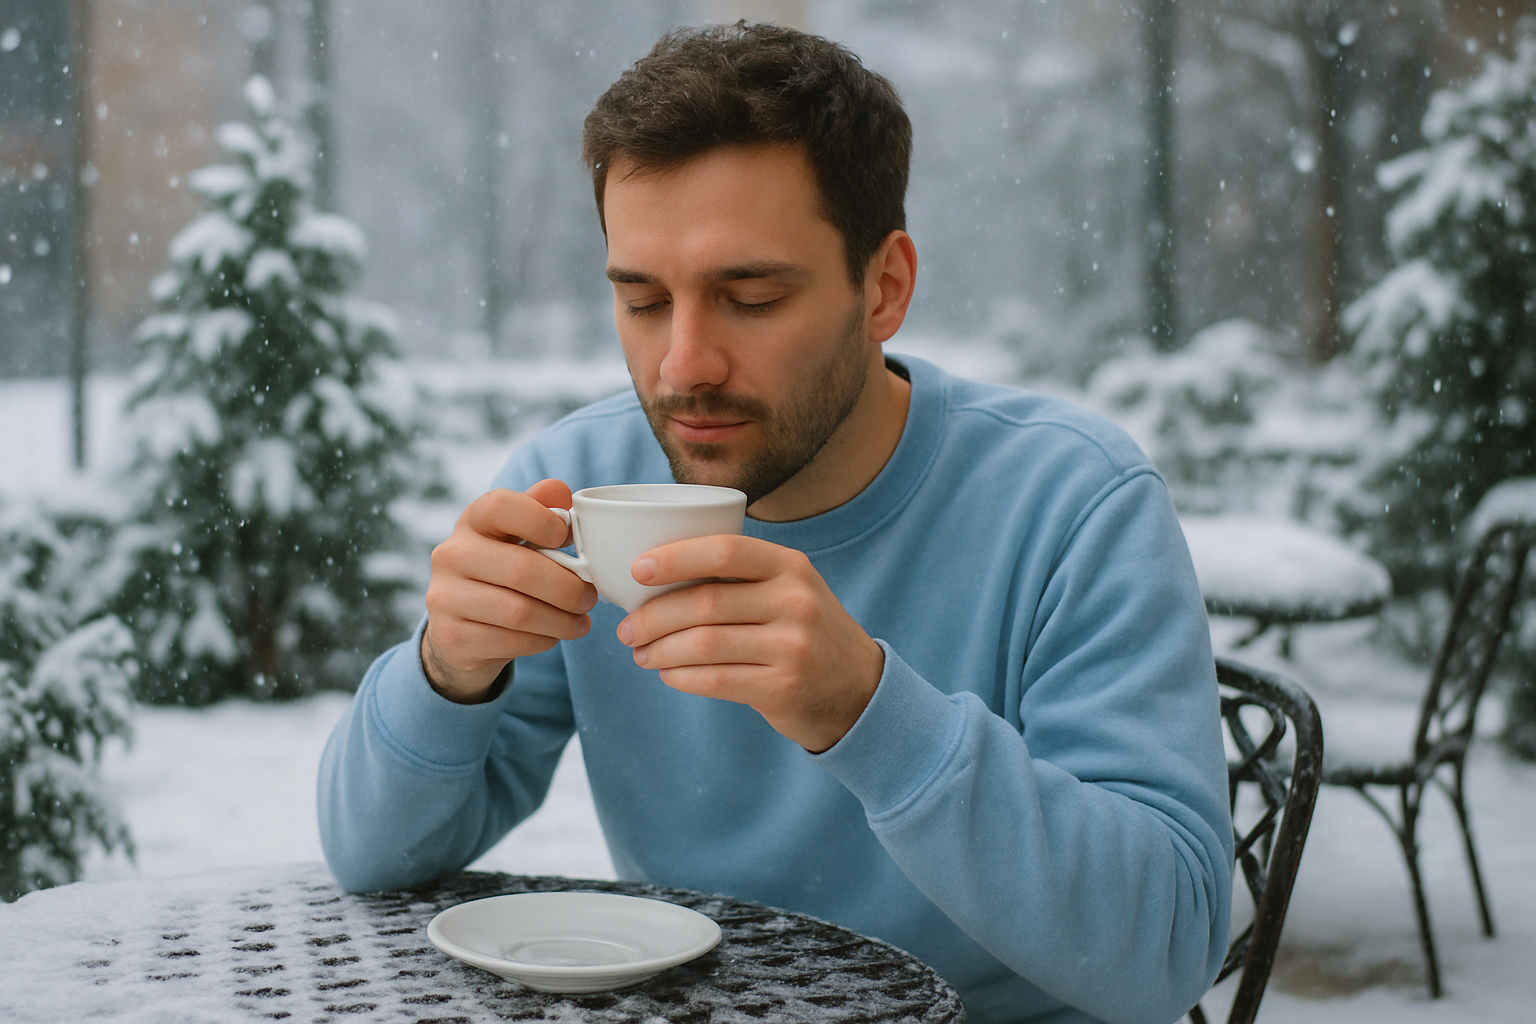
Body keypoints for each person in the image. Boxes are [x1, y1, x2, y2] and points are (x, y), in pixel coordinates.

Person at [319, 22, 1233, 1024]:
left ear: (883, 287)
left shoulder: (1070, 503)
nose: (684, 365)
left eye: (749, 297)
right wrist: (448, 670)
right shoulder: (576, 486)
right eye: (644, 301)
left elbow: (1166, 955)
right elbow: (373, 857)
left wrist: (868, 712)